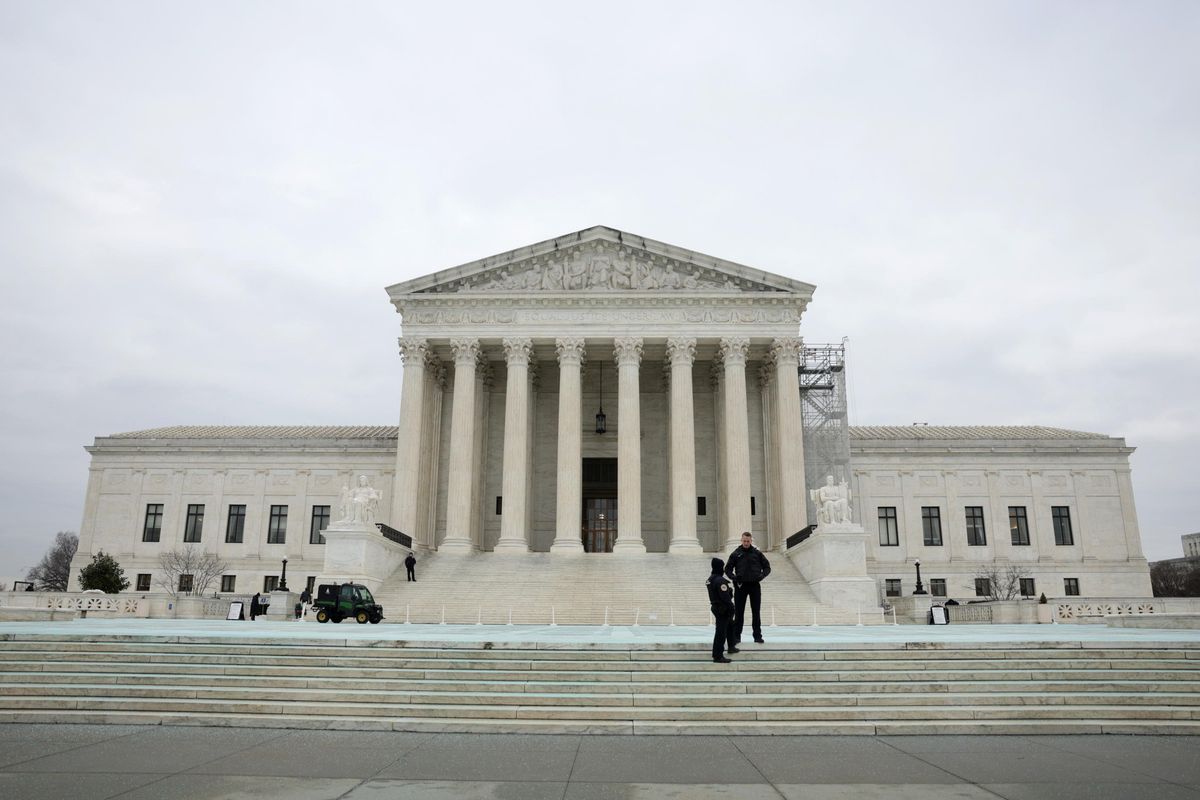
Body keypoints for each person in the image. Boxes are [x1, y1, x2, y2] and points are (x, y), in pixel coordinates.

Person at [725, 531, 771, 645]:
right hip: (741, 586)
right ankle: (736, 636)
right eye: (744, 541)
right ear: (741, 540)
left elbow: (767, 567)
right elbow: (728, 569)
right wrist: (734, 578)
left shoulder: (757, 553)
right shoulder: (736, 553)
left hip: (754, 585)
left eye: (748, 541)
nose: (746, 543)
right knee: (739, 612)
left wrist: (761, 576)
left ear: (751, 541)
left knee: (756, 612)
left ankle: (757, 636)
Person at [706, 557, 738, 663]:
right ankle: (718, 655)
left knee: (730, 626)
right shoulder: (720, 581)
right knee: (721, 632)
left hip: (716, 606)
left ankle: (731, 646)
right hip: (722, 608)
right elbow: (725, 597)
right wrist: (731, 606)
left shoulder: (710, 579)